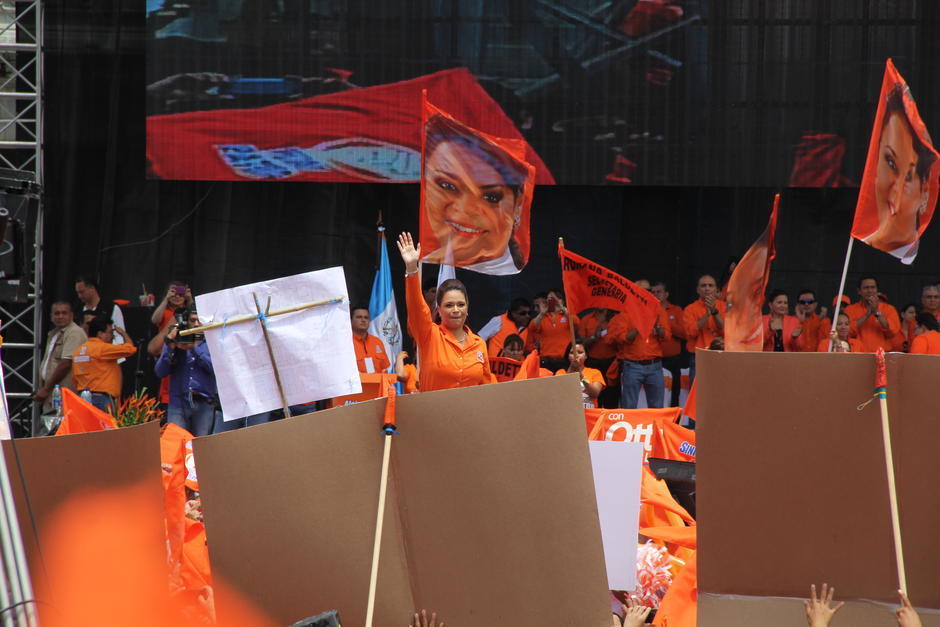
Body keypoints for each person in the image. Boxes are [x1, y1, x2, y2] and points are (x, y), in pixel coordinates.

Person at [420, 113, 530, 274]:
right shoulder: (421, 260)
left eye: (490, 197)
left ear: (517, 204)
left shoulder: (512, 270)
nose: (466, 208)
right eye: (448, 186)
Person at [398, 232, 493, 392]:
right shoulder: (429, 335)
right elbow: (416, 308)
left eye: (460, 304)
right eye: (449, 305)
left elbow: (486, 388)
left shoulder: (479, 344)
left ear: (467, 308)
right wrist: (412, 269)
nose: (456, 310)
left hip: (469, 416)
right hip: (434, 415)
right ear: (439, 310)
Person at [860, 84, 937, 260]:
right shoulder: (863, 234)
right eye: (890, 162)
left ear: (924, 189)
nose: (897, 187)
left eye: (909, 176)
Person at [154, 310, 219, 436]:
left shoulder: (211, 342)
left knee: (200, 446)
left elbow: (214, 368)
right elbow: (160, 371)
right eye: (192, 320)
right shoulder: (178, 341)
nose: (195, 324)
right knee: (176, 443)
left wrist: (193, 348)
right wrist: (170, 346)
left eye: (198, 320)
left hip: (204, 403)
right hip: (178, 402)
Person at [609, 301, 671, 409]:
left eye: (647, 290)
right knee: (629, 406)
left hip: (654, 365)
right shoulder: (625, 313)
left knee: (657, 406)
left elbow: (667, 336)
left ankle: (655, 426)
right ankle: (629, 426)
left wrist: (658, 329)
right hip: (632, 365)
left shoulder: (658, 311)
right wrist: (640, 327)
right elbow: (621, 338)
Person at [71, 316, 137, 412]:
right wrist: (123, 333)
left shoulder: (78, 351)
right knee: (105, 427)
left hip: (82, 399)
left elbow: (74, 379)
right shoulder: (102, 348)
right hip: (101, 400)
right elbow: (130, 348)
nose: (113, 336)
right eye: (110, 332)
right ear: (100, 334)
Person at [34, 301, 88, 419]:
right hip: (53, 394)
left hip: (64, 394)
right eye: (57, 313)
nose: (60, 316)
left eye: (64, 313)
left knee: (61, 430)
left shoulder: (74, 332)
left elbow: (66, 363)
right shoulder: (53, 333)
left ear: (72, 315)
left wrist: (46, 389)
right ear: (51, 316)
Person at [683, 275, 725, 381]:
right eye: (703, 286)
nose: (707, 288)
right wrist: (706, 315)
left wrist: (714, 312)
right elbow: (691, 332)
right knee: (698, 393)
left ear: (716, 289)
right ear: (698, 290)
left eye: (710, 285)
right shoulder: (690, 309)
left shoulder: (724, 307)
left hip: (722, 356)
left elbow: (727, 330)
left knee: (722, 391)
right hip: (699, 358)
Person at [650, 281, 686, 406]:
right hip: (655, 359)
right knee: (656, 392)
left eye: (658, 292)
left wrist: (664, 319)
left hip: (673, 359)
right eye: (652, 292)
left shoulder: (676, 310)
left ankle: (674, 421)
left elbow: (684, 333)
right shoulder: (647, 311)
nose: (655, 295)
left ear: (666, 294)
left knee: (675, 391)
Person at [527, 288, 579, 372]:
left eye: (555, 299)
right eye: (549, 299)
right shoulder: (543, 317)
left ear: (562, 300)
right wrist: (542, 313)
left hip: (563, 359)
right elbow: (532, 327)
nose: (553, 301)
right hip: (546, 360)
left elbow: (576, 323)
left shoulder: (567, 315)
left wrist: (562, 308)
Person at [843, 276, 900, 352]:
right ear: (859, 291)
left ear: (877, 290)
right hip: (857, 355)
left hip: (882, 356)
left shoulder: (889, 309)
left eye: (873, 287)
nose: (869, 290)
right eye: (866, 288)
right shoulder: (850, 309)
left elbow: (893, 332)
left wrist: (876, 311)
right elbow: (846, 332)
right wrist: (866, 315)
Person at [75, 275, 126, 348]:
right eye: (78, 293)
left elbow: (120, 335)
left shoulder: (111, 308)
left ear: (92, 288)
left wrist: (109, 350)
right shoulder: (77, 310)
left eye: (82, 292)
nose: (79, 296)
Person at [553, 341, 604, 408]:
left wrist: (580, 375)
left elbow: (594, 393)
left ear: (586, 356)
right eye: (572, 353)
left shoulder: (595, 372)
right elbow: (559, 391)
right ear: (568, 356)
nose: (576, 355)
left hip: (590, 413)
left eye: (580, 352)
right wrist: (571, 368)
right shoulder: (561, 372)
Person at [350, 306, 391, 374]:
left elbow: (384, 369)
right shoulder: (346, 343)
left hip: (377, 383)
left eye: (366, 317)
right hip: (356, 384)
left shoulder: (377, 342)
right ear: (350, 320)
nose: (363, 320)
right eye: (359, 317)